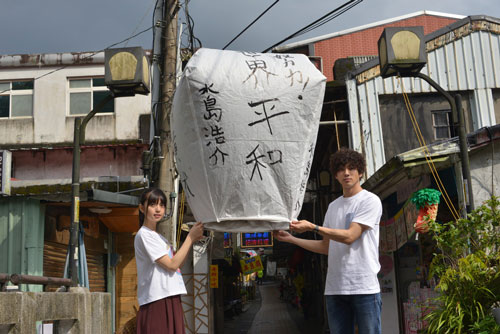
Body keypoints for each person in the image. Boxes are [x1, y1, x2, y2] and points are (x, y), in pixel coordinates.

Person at [274, 148, 383, 334]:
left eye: (351, 168)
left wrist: (313, 227)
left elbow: (350, 236)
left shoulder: (370, 201)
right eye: (341, 169)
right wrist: (292, 239)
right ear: (336, 175)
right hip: (335, 288)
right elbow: (326, 247)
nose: (346, 173)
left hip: (364, 286)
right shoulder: (333, 206)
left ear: (361, 171)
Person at [134, 187, 204, 334]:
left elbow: (178, 263)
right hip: (157, 299)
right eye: (153, 204)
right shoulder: (144, 235)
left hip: (168, 296)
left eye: (162, 205)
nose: (158, 209)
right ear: (142, 208)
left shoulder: (159, 237)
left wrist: (191, 240)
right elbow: (172, 265)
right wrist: (190, 237)